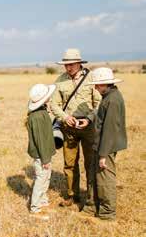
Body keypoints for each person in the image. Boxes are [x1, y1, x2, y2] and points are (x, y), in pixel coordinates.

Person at [51, 49, 101, 207]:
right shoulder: (60, 80)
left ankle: (92, 196)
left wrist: (89, 119)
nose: (68, 67)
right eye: (66, 64)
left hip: (89, 127)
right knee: (70, 163)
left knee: (90, 162)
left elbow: (99, 103)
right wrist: (65, 118)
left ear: (79, 63)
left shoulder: (91, 78)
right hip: (68, 127)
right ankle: (73, 195)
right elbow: (54, 104)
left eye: (71, 64)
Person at [82, 68, 127, 221]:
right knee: (95, 177)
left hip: (105, 147)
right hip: (100, 144)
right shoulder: (108, 96)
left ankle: (107, 214)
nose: (95, 88)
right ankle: (92, 207)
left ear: (105, 84)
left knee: (105, 180)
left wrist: (103, 154)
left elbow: (109, 130)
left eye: (97, 85)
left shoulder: (112, 100)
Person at [27, 83, 57, 219]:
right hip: (41, 155)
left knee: (46, 177)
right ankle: (35, 208)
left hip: (45, 153)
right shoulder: (38, 116)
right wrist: (45, 159)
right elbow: (40, 139)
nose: (49, 98)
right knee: (41, 179)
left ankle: (43, 202)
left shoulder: (42, 112)